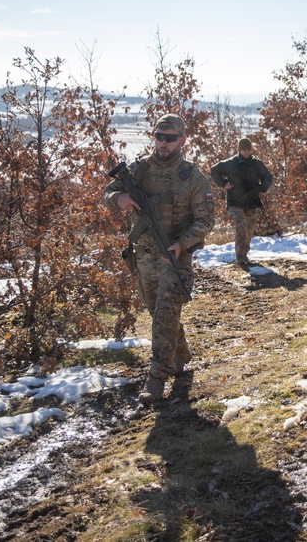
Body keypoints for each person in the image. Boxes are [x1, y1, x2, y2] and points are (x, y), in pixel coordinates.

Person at [103, 113, 215, 404]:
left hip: (175, 259)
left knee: (164, 317)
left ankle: (156, 381)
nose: (163, 143)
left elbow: (206, 221)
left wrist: (182, 244)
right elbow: (108, 192)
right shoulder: (139, 170)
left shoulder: (193, 177)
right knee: (160, 314)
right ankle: (181, 355)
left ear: (182, 140)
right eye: (159, 137)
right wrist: (119, 199)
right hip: (143, 257)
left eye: (169, 138)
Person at [210, 137, 274, 268]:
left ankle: (245, 254)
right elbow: (214, 170)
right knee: (242, 225)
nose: (246, 152)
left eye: (248, 150)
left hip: (251, 201)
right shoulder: (231, 163)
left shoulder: (257, 164)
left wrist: (263, 187)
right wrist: (223, 184)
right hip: (235, 201)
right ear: (239, 149)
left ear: (252, 150)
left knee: (250, 228)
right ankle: (239, 257)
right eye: (243, 150)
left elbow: (268, 177)